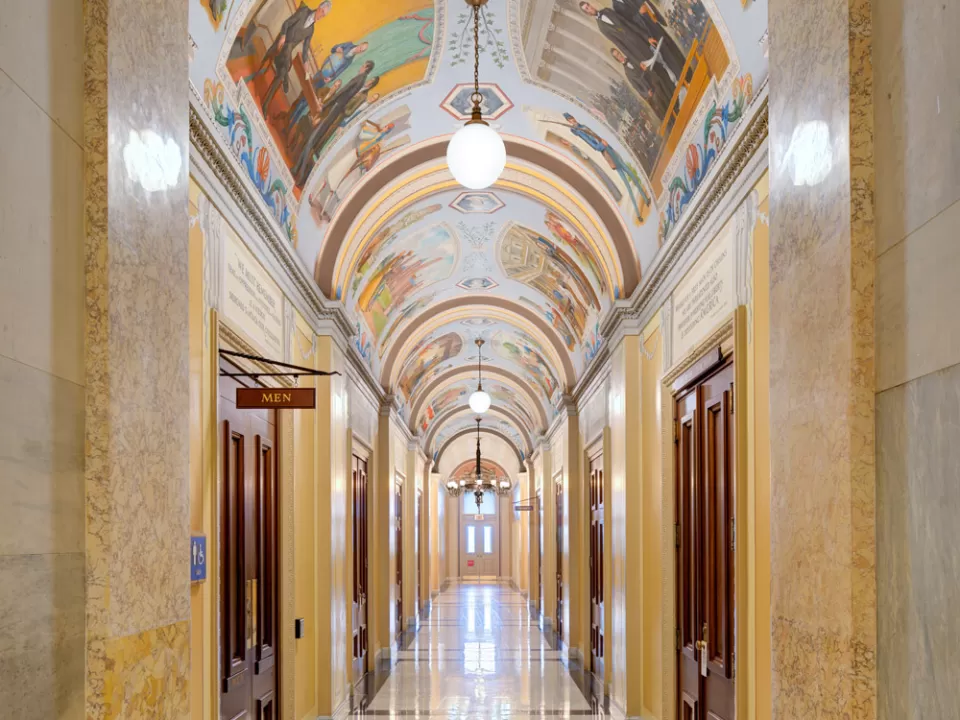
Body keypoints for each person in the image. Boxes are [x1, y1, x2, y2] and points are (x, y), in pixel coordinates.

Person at [291, 62, 377, 185]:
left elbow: (341, 93)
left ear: (366, 68)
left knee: (312, 140)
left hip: (335, 109)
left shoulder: (359, 79)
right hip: (335, 110)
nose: (361, 66)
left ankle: (300, 175)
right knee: (312, 139)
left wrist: (325, 105)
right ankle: (296, 169)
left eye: (363, 66)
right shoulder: (361, 81)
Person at [245, 1, 333, 117]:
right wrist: (282, 36)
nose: (321, 17)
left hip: (285, 56)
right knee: (288, 46)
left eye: (324, 16)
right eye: (322, 13)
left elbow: (305, 50)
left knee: (281, 72)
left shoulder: (311, 31)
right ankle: (286, 75)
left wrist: (306, 64)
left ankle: (266, 104)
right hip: (279, 46)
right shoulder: (303, 11)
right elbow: (286, 23)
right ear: (319, 9)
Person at [563, 113, 650, 224]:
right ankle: (638, 215)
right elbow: (595, 146)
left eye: (572, 118)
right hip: (607, 154)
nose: (572, 121)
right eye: (570, 121)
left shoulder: (584, 126)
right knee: (627, 184)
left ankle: (646, 200)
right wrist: (603, 145)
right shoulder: (581, 133)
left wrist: (605, 142)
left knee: (632, 176)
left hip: (611, 151)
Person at [579, 0, 685, 81]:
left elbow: (629, 21)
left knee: (668, 43)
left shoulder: (607, 11)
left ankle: (686, 70)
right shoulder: (611, 13)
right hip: (639, 38)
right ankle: (680, 77)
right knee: (662, 56)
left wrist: (645, 10)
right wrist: (637, 60)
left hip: (648, 24)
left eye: (588, 5)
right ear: (587, 13)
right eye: (587, 9)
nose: (590, 8)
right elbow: (621, 40)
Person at [283, 41, 369, 134]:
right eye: (361, 47)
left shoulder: (350, 60)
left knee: (307, 100)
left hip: (324, 80)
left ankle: (290, 124)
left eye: (362, 50)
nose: (360, 50)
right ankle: (289, 119)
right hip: (320, 74)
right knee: (303, 95)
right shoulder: (348, 45)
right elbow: (333, 48)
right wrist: (337, 48)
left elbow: (339, 71)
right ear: (360, 44)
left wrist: (331, 79)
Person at [610, 46, 672, 118]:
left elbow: (644, 62)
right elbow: (636, 87)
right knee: (659, 101)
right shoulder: (627, 73)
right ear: (617, 59)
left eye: (618, 53)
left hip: (652, 78)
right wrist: (646, 93)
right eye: (617, 56)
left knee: (665, 89)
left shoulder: (632, 57)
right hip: (649, 89)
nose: (619, 55)